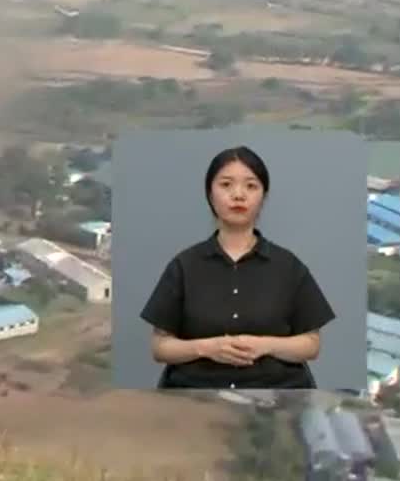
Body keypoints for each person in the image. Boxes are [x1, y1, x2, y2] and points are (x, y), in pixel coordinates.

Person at [140, 146, 335, 390]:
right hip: (197, 399)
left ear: (263, 196)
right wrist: (207, 348)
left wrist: (266, 345)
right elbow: (160, 347)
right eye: (226, 185)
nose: (238, 195)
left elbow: (311, 344)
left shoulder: (288, 266)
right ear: (210, 195)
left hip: (275, 401)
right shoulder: (184, 265)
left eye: (251, 186)